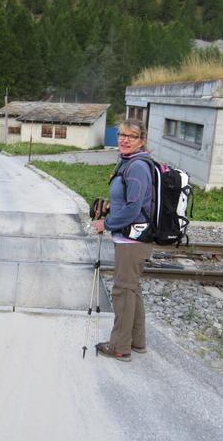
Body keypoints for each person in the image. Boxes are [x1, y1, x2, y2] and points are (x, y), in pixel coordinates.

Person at [94, 118, 153, 362]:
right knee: (132, 289)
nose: (124, 139)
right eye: (121, 134)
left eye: (131, 136)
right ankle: (137, 341)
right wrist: (109, 206)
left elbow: (133, 207)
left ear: (142, 141)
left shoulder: (137, 166)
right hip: (133, 236)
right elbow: (127, 201)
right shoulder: (129, 162)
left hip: (133, 239)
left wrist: (106, 223)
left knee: (123, 291)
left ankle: (120, 347)